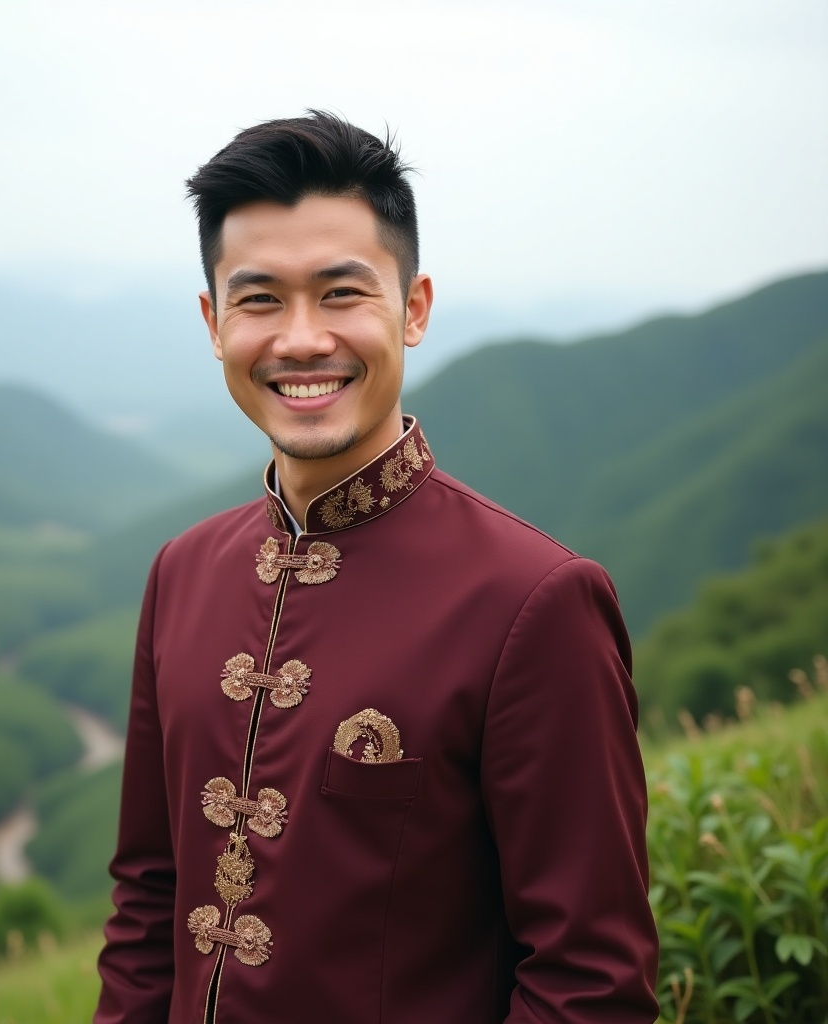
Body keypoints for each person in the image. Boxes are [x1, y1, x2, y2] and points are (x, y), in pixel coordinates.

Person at [94, 110, 659, 1024]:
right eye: (259, 298)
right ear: (213, 321)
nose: (302, 339)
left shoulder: (534, 602)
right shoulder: (182, 574)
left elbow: (589, 982)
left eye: (341, 293)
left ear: (415, 308)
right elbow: (148, 903)